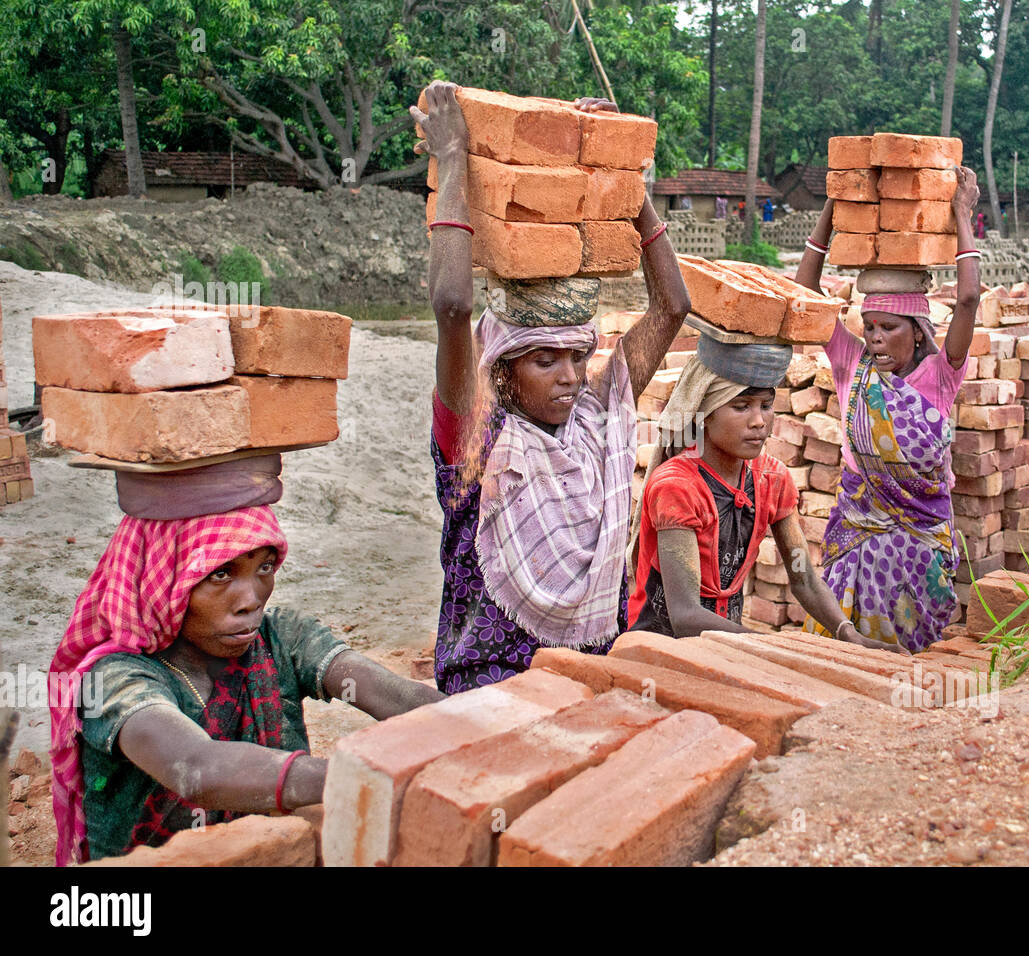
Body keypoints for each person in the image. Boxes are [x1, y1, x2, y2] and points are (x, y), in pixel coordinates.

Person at [412, 81, 691, 693]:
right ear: (504, 368)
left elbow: (673, 305)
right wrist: (453, 159)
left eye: (576, 355)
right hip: (493, 687)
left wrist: (621, 179)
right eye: (544, 360)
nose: (569, 376)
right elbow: (455, 306)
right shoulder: (477, 436)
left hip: (592, 681)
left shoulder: (595, 418)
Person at [49, 458, 442, 865]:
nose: (251, 599)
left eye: (264, 568)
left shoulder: (282, 638)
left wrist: (484, 724)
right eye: (221, 575)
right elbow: (197, 768)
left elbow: (395, 696)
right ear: (165, 578)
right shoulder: (113, 679)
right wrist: (361, 780)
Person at [794, 167, 983, 652]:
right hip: (856, 532)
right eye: (869, 326)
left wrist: (962, 214)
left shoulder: (941, 375)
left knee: (907, 659)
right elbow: (803, 297)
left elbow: (967, 299)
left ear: (917, 330)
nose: (875, 338)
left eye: (888, 328)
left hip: (917, 545)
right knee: (838, 654)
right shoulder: (850, 364)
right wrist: (833, 211)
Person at [627, 336, 907, 654]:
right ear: (703, 414)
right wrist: (776, 647)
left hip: (727, 644)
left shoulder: (772, 479)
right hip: (657, 648)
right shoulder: (676, 486)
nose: (759, 421)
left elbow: (803, 577)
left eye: (766, 405)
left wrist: (846, 632)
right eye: (741, 406)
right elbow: (685, 615)